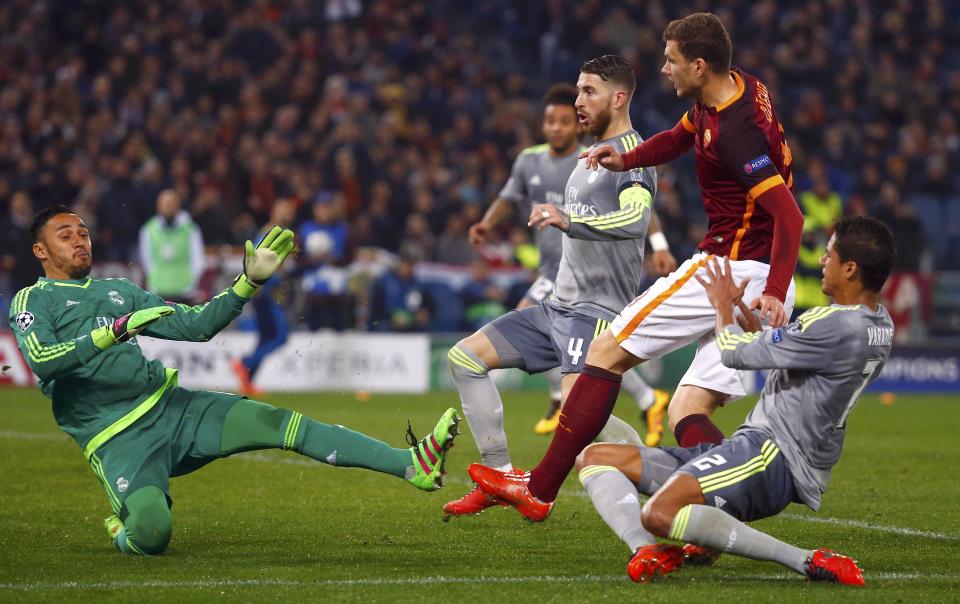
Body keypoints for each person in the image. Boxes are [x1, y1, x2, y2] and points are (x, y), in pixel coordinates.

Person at [468, 13, 804, 521]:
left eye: (671, 61)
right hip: (748, 274)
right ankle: (722, 507)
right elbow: (677, 137)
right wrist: (624, 159)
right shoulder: (735, 89)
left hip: (731, 271)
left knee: (607, 351)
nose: (664, 69)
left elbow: (790, 217)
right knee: (686, 409)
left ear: (699, 64)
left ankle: (537, 489)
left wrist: (774, 290)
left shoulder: (736, 133)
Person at [9, 206, 459, 555]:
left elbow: (196, 326)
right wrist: (115, 331)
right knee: (152, 537)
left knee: (280, 423)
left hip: (174, 409)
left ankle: (411, 464)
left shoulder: (120, 290)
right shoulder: (33, 300)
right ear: (41, 251)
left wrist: (248, 283)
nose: (79, 242)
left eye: (83, 233)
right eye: (65, 236)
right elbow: (44, 362)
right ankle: (123, 528)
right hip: (116, 437)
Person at [572, 216, 894, 585]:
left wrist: (721, 308)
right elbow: (793, 359)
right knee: (594, 458)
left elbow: (733, 353)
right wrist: (748, 321)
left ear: (850, 269)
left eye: (829, 255)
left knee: (659, 513)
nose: (822, 261)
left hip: (773, 457)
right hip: (762, 450)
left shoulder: (833, 325)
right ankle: (648, 551)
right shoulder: (878, 324)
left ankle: (806, 560)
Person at [444, 56, 673, 519]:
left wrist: (569, 220)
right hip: (556, 307)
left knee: (579, 420)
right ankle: (501, 475)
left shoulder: (633, 154)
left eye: (588, 91)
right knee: (465, 358)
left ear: (619, 97)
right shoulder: (587, 157)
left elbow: (634, 220)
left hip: (595, 313)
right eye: (577, 90)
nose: (578, 101)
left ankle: (678, 482)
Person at [466, 83, 673, 440]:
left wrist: (658, 245)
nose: (557, 128)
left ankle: (560, 398)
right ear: (543, 125)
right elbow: (507, 197)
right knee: (591, 350)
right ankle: (644, 398)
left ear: (576, 126)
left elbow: (641, 208)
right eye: (551, 122)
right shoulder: (528, 160)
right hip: (556, 271)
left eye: (564, 121)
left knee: (530, 314)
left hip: (585, 276)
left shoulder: (596, 158)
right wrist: (486, 223)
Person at [138, 189, 206, 304]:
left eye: (171, 203)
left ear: (178, 205)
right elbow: (146, 260)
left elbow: (198, 259)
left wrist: (191, 282)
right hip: (158, 290)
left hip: (185, 291)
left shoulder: (191, 229)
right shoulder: (148, 229)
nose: (168, 206)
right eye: (165, 203)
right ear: (158, 206)